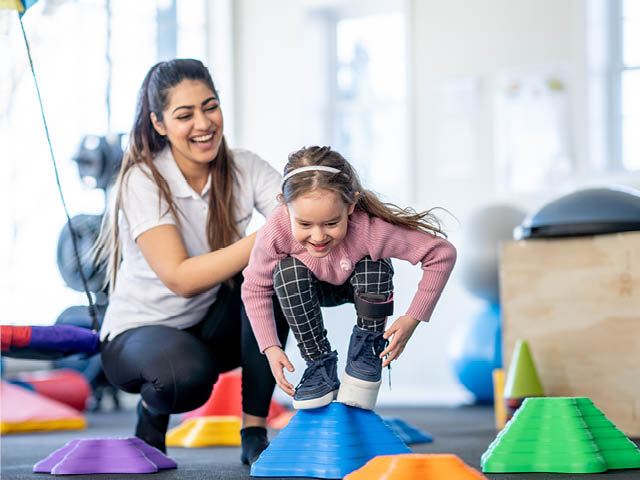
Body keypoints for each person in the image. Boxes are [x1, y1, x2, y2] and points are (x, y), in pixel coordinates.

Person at [96, 59, 289, 464]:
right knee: (186, 378)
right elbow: (180, 279)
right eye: (185, 114)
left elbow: (299, 215)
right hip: (138, 335)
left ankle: (254, 432)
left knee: (277, 278)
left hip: (206, 327)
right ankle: (151, 412)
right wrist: (270, 234)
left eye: (210, 106)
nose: (203, 123)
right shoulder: (143, 179)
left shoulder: (245, 166)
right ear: (160, 123)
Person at [242, 146, 456, 411]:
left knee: (374, 264)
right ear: (285, 207)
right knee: (286, 271)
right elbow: (254, 288)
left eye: (331, 223)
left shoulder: (369, 230)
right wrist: (270, 347)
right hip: (306, 289)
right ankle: (319, 364)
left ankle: (365, 353)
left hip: (359, 286)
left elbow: (441, 253)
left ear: (351, 206)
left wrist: (412, 318)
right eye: (305, 225)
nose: (318, 237)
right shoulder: (276, 231)